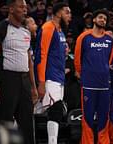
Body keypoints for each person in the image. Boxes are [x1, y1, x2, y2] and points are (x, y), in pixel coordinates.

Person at [0, 0, 37, 143]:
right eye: (21, 7)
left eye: (26, 7)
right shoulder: (2, 27)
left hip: (24, 80)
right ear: (11, 9)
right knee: (5, 121)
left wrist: (33, 87)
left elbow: (29, 61)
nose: (25, 10)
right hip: (8, 79)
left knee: (27, 121)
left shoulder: (26, 31)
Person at [74, 9, 113, 144]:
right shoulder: (84, 37)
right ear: (94, 20)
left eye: (105, 19)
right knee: (88, 118)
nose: (103, 20)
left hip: (104, 84)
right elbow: (77, 58)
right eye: (100, 17)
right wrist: (81, 73)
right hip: (88, 84)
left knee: (104, 117)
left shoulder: (109, 39)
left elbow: (109, 60)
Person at [34, 2, 71, 144]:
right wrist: (41, 82)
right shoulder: (48, 27)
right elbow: (41, 55)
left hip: (58, 77)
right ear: (58, 13)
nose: (70, 16)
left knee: (52, 110)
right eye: (67, 12)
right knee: (55, 110)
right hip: (49, 77)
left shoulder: (60, 30)